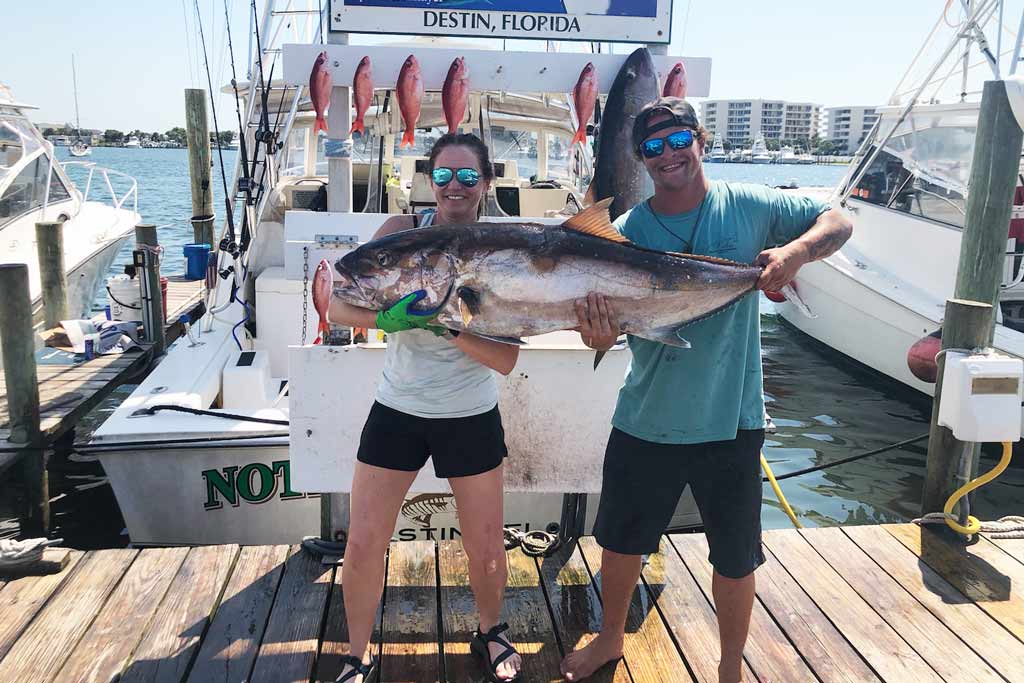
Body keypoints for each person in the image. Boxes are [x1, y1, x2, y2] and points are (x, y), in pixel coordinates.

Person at [563, 97, 853, 683]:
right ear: (641, 160)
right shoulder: (626, 235)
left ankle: (728, 669)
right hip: (647, 416)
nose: (667, 155)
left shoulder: (750, 204)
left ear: (701, 139)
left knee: (735, 556)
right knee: (620, 544)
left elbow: (839, 220)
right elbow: (604, 332)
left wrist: (795, 253)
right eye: (652, 147)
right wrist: (595, 330)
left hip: (733, 419)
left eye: (677, 140)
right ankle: (610, 640)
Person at [328, 133, 522, 683]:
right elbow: (339, 303)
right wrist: (388, 320)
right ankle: (357, 654)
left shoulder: (499, 248)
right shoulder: (399, 235)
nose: (454, 186)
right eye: (443, 176)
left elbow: (504, 360)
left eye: (466, 176)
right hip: (398, 408)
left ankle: (491, 633)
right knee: (364, 540)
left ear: (485, 183)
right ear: (428, 181)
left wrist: (444, 323)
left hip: (470, 412)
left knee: (485, 543)